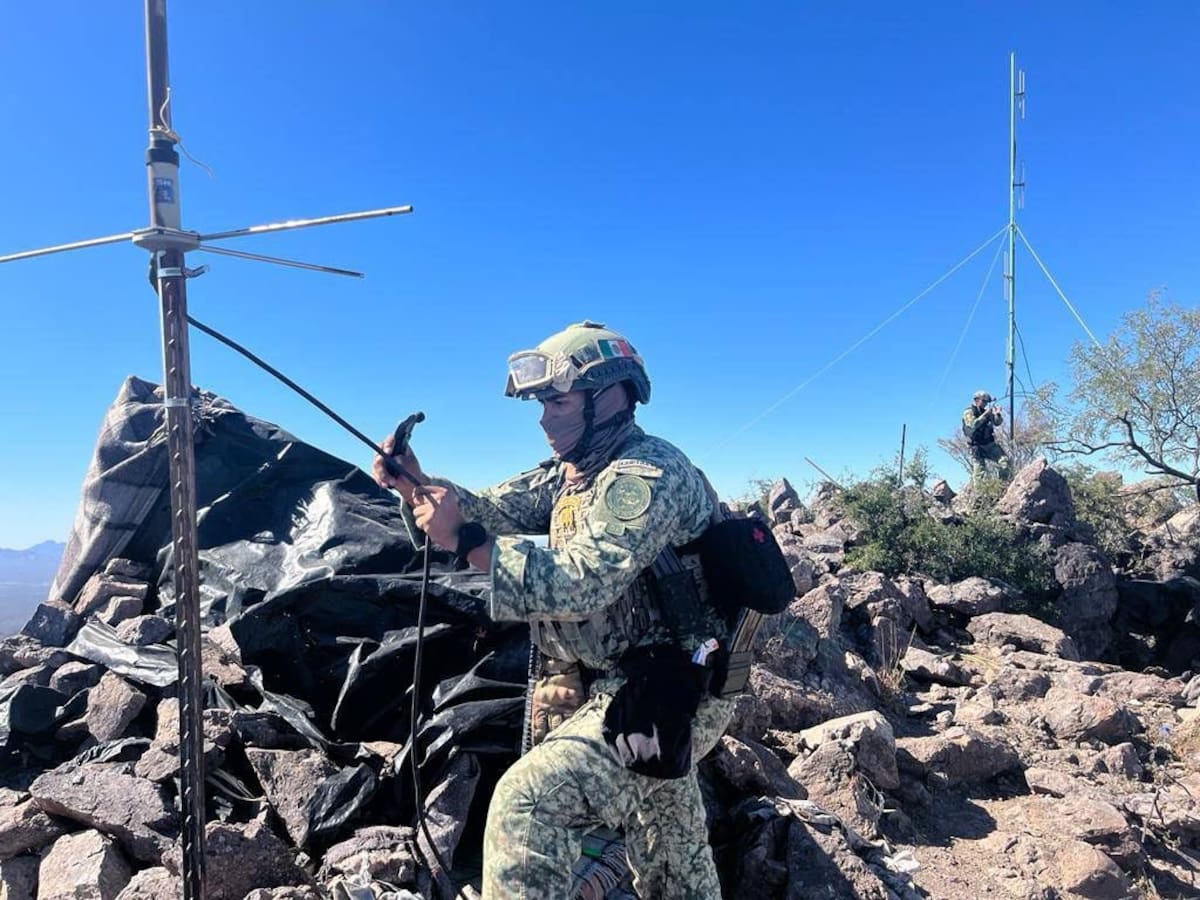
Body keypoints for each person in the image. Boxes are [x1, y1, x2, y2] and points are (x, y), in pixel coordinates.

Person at [374, 321, 735, 899]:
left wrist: (467, 544)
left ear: (612, 396)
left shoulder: (647, 475)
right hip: (635, 684)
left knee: (530, 802)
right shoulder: (571, 474)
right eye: (541, 403)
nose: (545, 418)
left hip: (679, 686)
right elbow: (489, 508)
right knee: (670, 844)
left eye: (558, 400)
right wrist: (416, 487)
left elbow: (583, 581)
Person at [962, 389, 1010, 481]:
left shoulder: (987, 412)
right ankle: (979, 493)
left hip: (989, 444)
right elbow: (973, 425)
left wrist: (998, 414)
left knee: (1004, 461)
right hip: (975, 446)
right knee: (979, 471)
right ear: (977, 400)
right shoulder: (969, 412)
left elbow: (997, 423)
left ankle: (1002, 484)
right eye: (983, 401)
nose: (985, 404)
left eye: (986, 402)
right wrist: (985, 415)